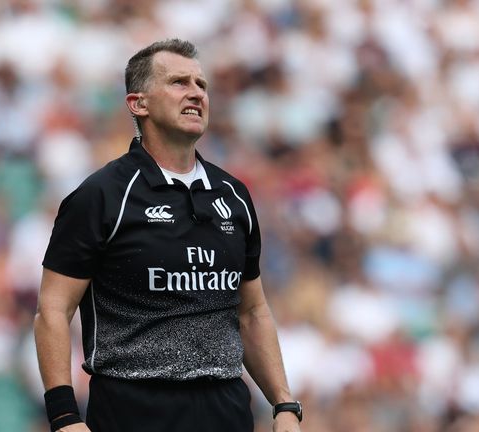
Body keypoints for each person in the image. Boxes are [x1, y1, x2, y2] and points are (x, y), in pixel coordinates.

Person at [34, 38, 303, 432]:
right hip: (132, 408)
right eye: (179, 82)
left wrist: (284, 404)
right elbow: (53, 310)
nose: (196, 93)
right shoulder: (102, 195)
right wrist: (64, 417)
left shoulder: (233, 195)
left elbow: (251, 311)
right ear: (138, 104)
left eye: (202, 85)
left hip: (225, 409)